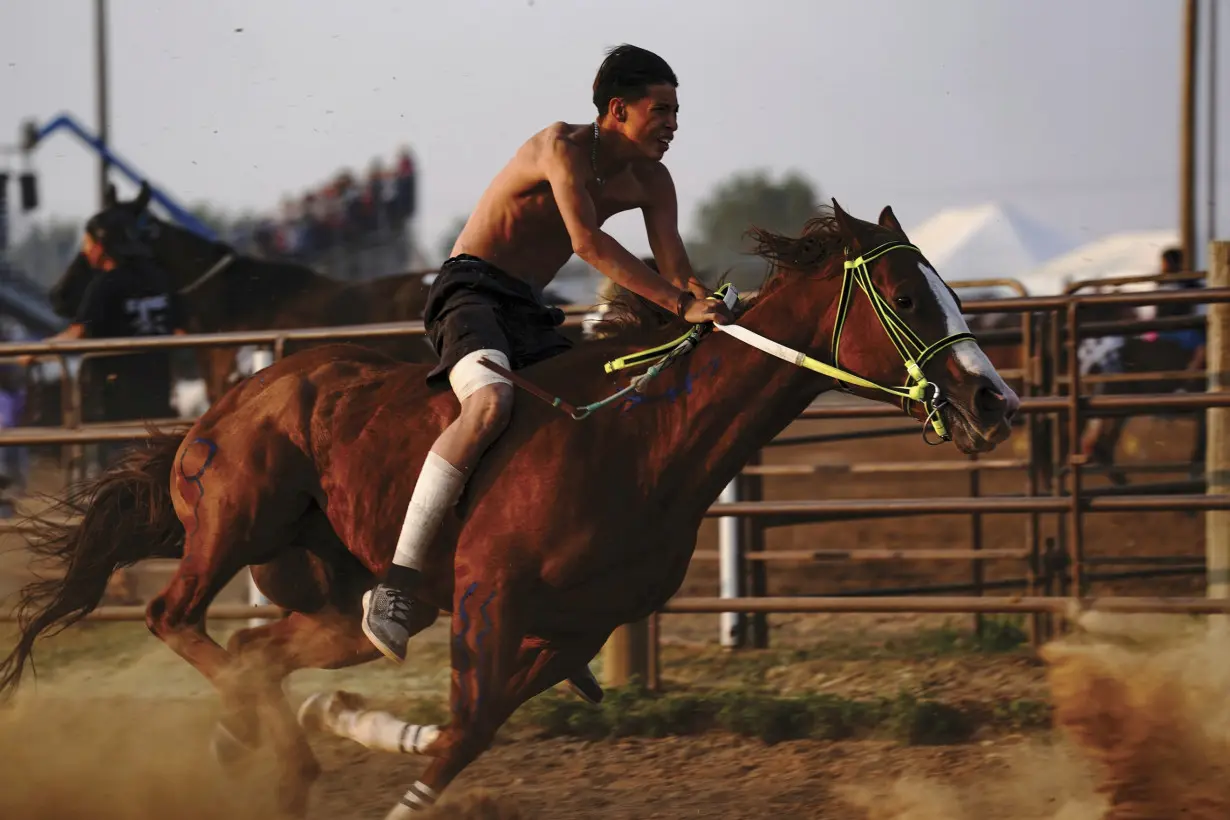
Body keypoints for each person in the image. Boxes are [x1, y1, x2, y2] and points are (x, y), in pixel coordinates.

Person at [362, 45, 733, 692]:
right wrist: (679, 305)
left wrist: (707, 303)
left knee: (593, 428)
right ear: (617, 111)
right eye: (661, 110)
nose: (674, 124)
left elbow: (676, 268)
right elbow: (587, 243)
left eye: (677, 111)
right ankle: (396, 585)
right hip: (470, 291)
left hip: (529, 310)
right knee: (488, 408)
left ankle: (552, 622)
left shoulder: (652, 181)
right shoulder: (558, 148)